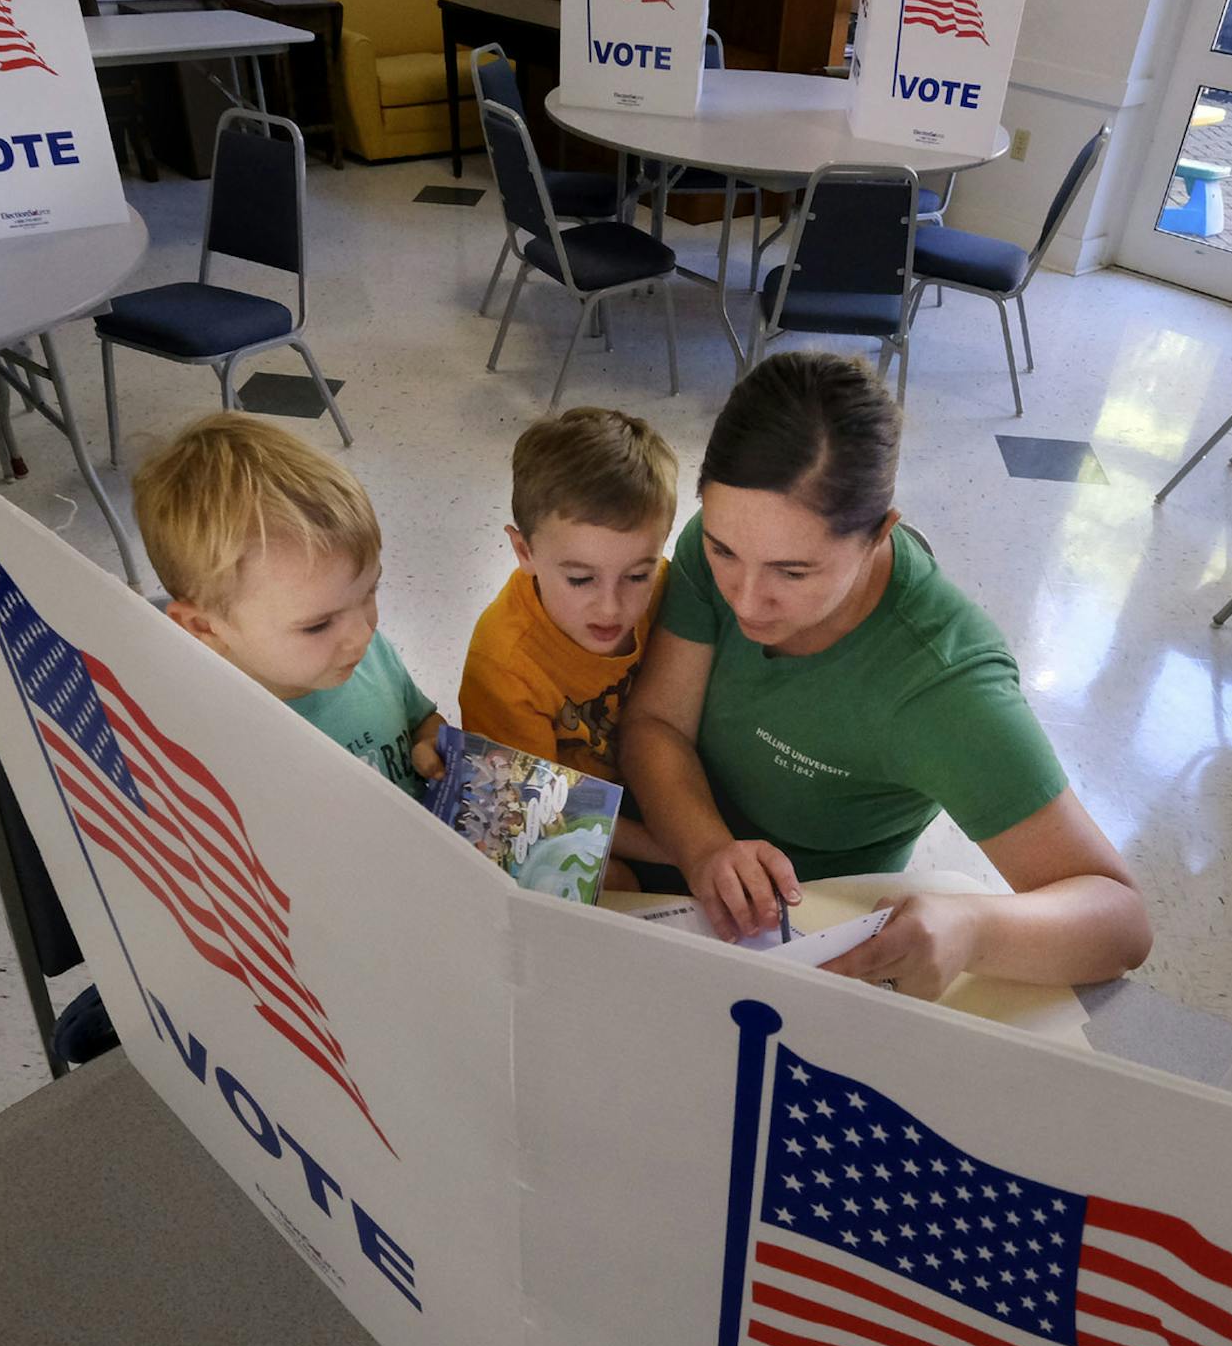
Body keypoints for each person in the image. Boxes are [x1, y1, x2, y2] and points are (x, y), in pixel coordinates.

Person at [621, 353, 1151, 998]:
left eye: (793, 572)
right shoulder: (729, 538)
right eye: (724, 551)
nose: (746, 600)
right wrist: (704, 849)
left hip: (803, 939)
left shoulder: (941, 687)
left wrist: (974, 927)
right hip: (663, 860)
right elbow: (655, 723)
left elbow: (1120, 921)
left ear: (879, 534)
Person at [133, 413, 446, 799]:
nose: (362, 634)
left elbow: (423, 720)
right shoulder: (212, 747)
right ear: (205, 628)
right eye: (317, 625)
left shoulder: (369, 654)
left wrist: (430, 744)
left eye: (369, 591)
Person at [459, 408, 680, 887]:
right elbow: (538, 809)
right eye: (580, 578)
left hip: (653, 782)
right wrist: (683, 849)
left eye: (637, 575)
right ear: (525, 553)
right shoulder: (503, 662)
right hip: (561, 814)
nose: (611, 607)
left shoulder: (666, 586)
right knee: (618, 883)